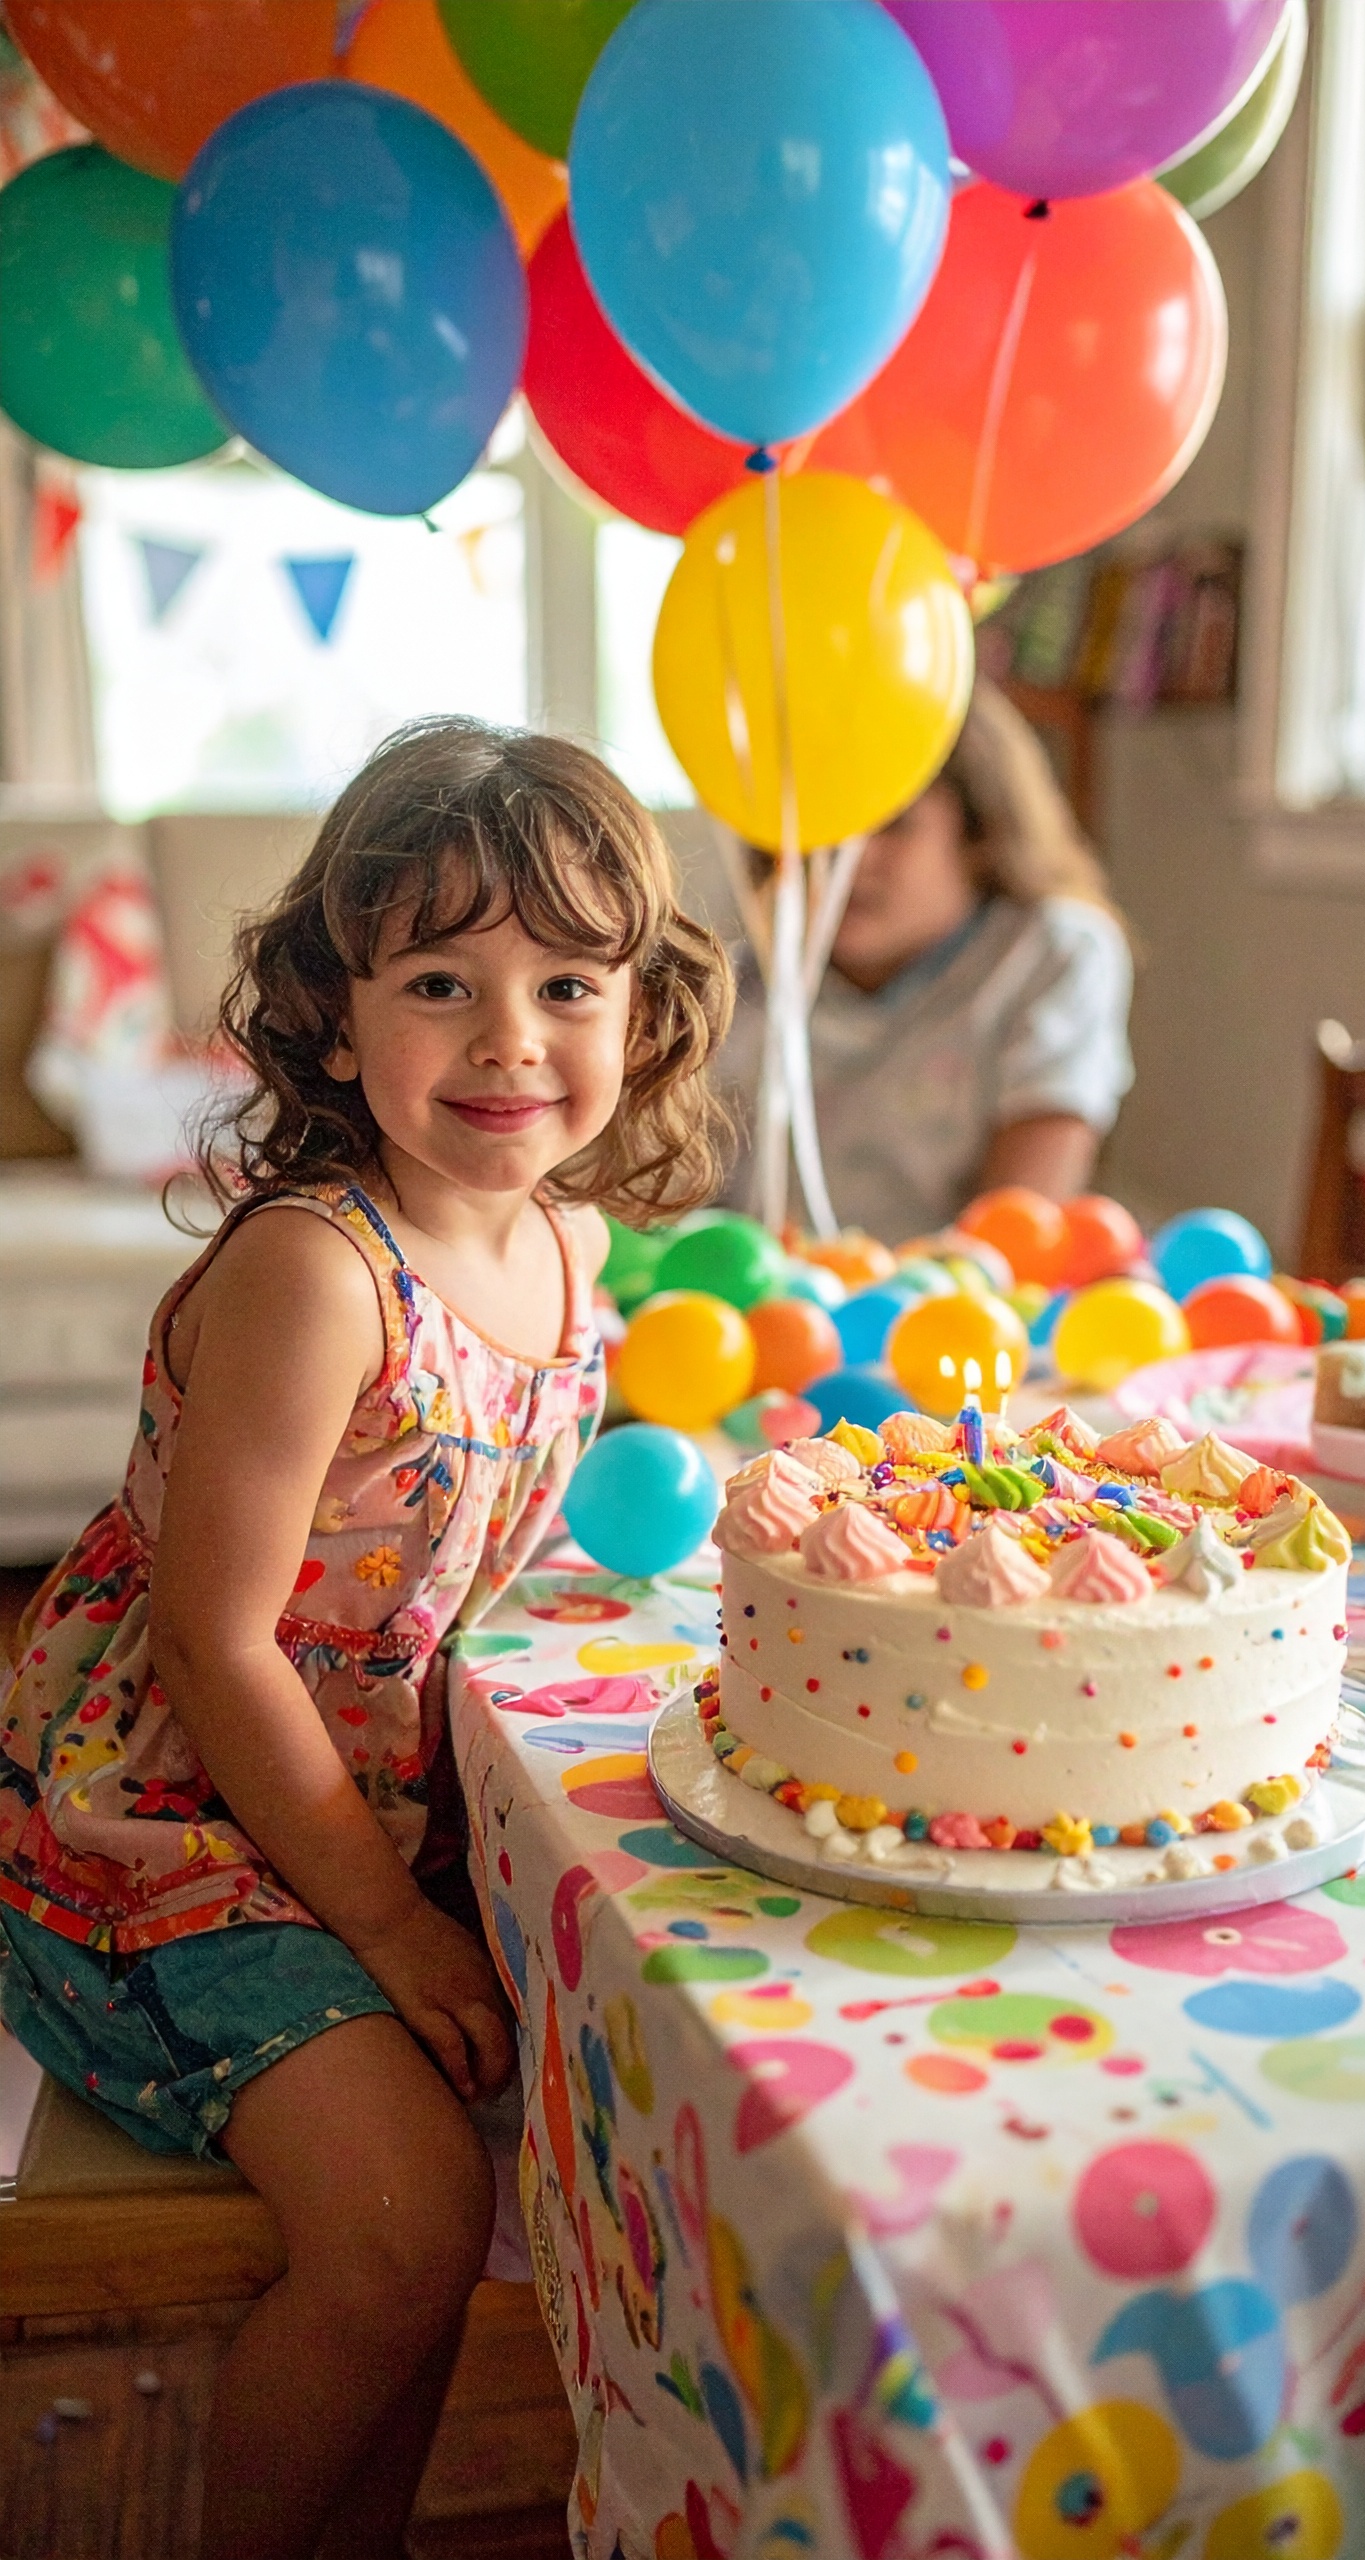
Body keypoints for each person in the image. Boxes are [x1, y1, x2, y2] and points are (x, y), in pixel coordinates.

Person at [0, 722, 731, 2560]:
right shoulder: (319, 1271)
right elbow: (219, 1641)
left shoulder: (575, 1248)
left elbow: (494, 1559)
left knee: (597, 2102)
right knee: (403, 2221)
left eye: (568, 981)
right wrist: (396, 1919)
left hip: (369, 1802)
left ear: (639, 1016)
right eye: (439, 981)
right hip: (155, 1826)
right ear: (334, 1018)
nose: (509, 1037)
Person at [719, 675, 1134, 1243]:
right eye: (822, 823)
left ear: (979, 833)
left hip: (958, 1311)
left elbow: (1016, 1229)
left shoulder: (1051, 952)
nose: (848, 858)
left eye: (893, 823)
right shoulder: (741, 982)